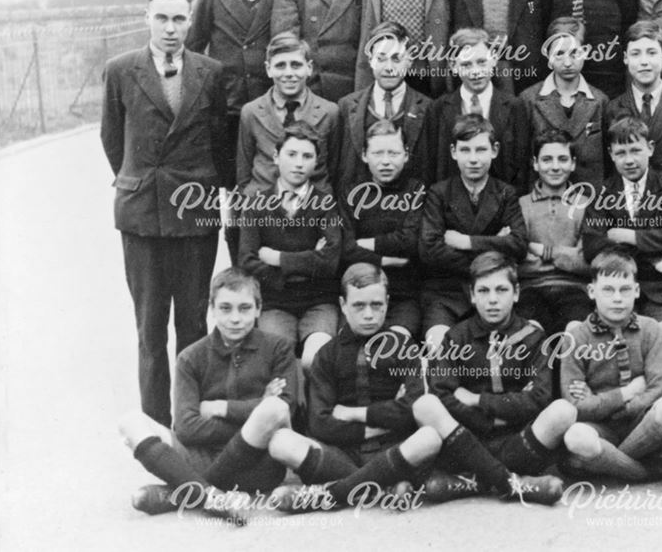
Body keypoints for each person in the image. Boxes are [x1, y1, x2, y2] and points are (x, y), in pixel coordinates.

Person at [101, 0, 232, 428]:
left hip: (195, 217)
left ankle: (190, 425)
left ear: (191, 20)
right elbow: (113, 142)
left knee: (194, 327)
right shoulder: (121, 70)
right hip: (142, 218)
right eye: (162, 18)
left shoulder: (211, 73)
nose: (171, 28)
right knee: (150, 330)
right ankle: (155, 431)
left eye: (179, 18)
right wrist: (140, 181)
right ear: (147, 19)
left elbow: (219, 141)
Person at [117, 268, 295, 519]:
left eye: (244, 308)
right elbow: (187, 427)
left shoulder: (278, 349)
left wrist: (221, 408)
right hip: (201, 457)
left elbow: (286, 407)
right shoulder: (190, 358)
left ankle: (184, 492)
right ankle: (213, 497)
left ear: (258, 308)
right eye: (225, 308)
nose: (235, 318)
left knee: (275, 409)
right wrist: (255, 412)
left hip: (259, 463)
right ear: (211, 309)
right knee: (130, 422)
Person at [266, 264, 441, 513]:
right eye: (359, 305)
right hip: (342, 455)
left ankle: (329, 494)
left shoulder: (403, 347)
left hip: (394, 447)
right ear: (343, 304)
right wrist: (388, 415)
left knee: (429, 438)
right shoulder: (327, 355)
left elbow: (413, 410)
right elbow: (320, 423)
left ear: (387, 302)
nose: (369, 314)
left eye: (377, 305)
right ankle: (382, 487)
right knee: (280, 442)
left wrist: (349, 414)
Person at [414, 252, 571, 505]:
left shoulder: (532, 337)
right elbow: (441, 393)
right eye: (484, 291)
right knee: (427, 406)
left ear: (516, 292)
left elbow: (539, 397)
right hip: (467, 439)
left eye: (501, 289)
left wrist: (478, 400)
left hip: (518, 440)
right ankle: (513, 484)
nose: (493, 300)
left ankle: (474, 481)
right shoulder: (456, 337)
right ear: (472, 296)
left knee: (562, 411)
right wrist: (488, 421)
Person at [186, 0, 277, 263]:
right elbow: (193, 50)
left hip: (269, 114)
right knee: (235, 196)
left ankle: (267, 271)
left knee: (269, 190)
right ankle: (240, 268)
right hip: (226, 117)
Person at [560, 249, 662, 481]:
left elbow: (660, 387)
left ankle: (613, 462)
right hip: (600, 427)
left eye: (625, 289)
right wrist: (626, 393)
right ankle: (640, 472)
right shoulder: (577, 337)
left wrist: (605, 403)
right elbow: (576, 405)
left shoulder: (650, 328)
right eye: (608, 290)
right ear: (591, 292)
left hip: (642, 424)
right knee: (575, 436)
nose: (617, 298)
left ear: (637, 291)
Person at [238, 122, 350, 368]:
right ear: (277, 157)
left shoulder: (325, 204)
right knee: (278, 360)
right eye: (292, 154)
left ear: (316, 162)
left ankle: (318, 408)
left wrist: (278, 258)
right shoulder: (256, 204)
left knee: (316, 359)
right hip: (275, 301)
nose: (299, 163)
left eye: (307, 156)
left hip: (319, 301)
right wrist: (309, 260)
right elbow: (247, 261)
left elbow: (330, 261)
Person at [418, 114, 527, 354]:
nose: (474, 159)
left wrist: (466, 242)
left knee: (508, 351)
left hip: (493, 291)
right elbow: (430, 250)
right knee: (438, 347)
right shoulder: (439, 193)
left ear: (495, 150)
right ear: (454, 152)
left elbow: (518, 245)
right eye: (465, 150)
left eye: (481, 150)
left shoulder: (506, 193)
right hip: (447, 293)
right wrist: (496, 244)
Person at [582, 116, 662, 335]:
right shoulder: (602, 192)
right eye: (621, 153)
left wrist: (627, 236)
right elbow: (593, 246)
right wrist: (655, 255)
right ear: (611, 154)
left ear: (650, 149)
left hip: (661, 291)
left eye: (635, 150)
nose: (629, 160)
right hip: (617, 288)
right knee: (606, 338)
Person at [338, 120, 428, 338]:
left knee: (394, 347)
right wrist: (388, 260)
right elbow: (345, 250)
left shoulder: (417, 190)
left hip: (404, 296)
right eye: (378, 153)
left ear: (406, 155)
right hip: (359, 295)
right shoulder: (351, 193)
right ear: (364, 155)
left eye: (393, 153)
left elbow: (410, 241)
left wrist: (365, 244)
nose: (385, 162)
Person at [236, 32, 341, 198]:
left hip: (312, 206)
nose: (288, 73)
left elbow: (333, 169)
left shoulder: (329, 112)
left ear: (309, 68)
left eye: (296, 65)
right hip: (263, 204)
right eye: (280, 66)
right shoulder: (251, 112)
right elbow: (243, 174)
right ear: (268, 69)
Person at [422, 28, 524, 188]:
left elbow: (521, 167)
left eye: (482, 62)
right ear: (453, 66)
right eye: (466, 64)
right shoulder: (438, 109)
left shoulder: (515, 107)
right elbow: (430, 168)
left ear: (494, 59)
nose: (476, 72)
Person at [516, 17, 609, 189]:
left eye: (575, 53)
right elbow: (521, 161)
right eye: (559, 54)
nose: (567, 62)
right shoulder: (529, 99)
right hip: (544, 200)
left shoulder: (600, 101)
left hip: (588, 199)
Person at [516, 130, 593, 336]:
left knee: (575, 333)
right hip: (529, 290)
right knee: (528, 333)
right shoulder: (519, 206)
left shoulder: (586, 206)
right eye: (547, 160)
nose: (555, 166)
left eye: (562, 159)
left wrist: (541, 251)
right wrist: (567, 256)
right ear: (535, 163)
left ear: (573, 163)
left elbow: (587, 262)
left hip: (575, 290)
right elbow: (515, 259)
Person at [337, 21, 431, 188]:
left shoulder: (428, 108)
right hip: (360, 204)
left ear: (409, 60)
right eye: (381, 59)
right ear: (370, 61)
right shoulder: (347, 106)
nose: (389, 67)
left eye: (396, 59)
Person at [606, 20, 662, 185]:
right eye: (636, 53)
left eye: (651, 53)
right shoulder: (613, 109)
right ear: (625, 58)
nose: (644, 61)